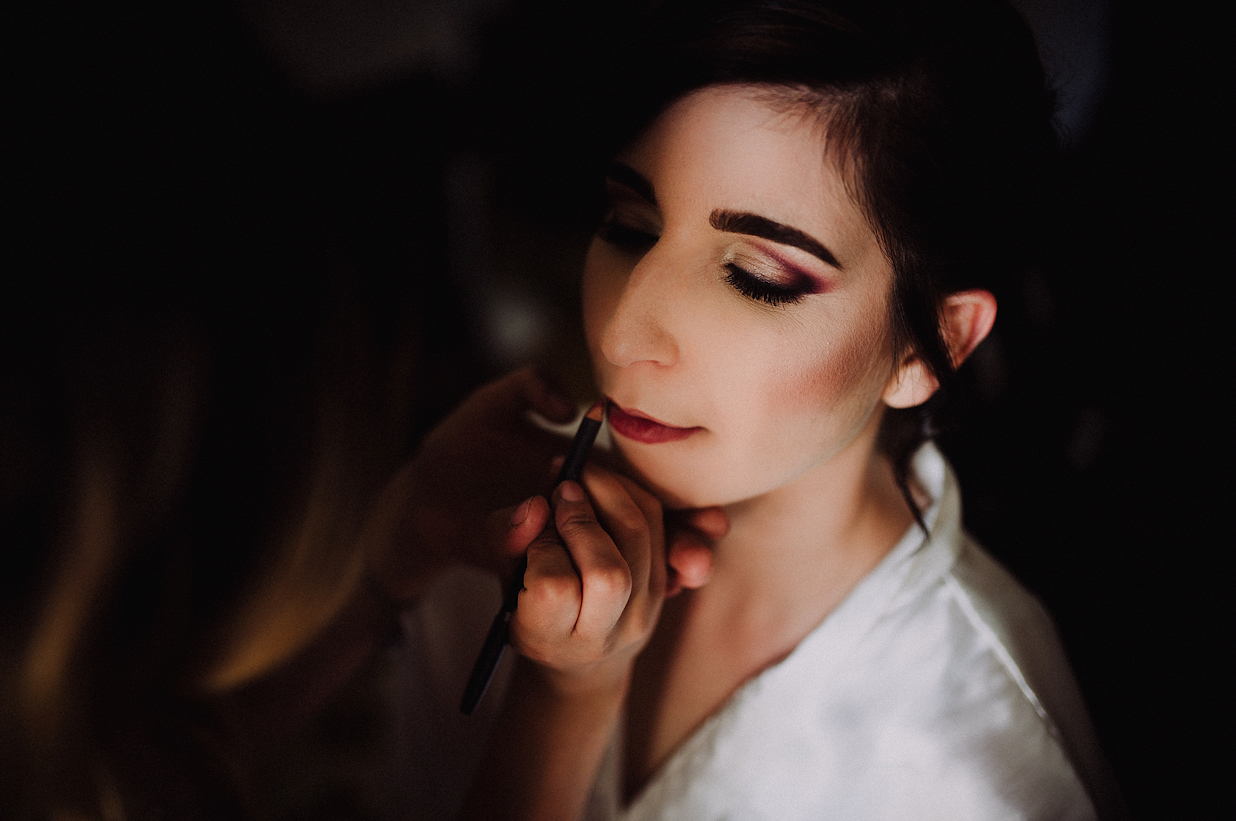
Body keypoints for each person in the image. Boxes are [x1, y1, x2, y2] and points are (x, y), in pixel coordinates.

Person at [392, 1, 1124, 819]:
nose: (624, 336)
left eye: (755, 278)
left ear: (934, 345)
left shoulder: (982, 769)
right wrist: (398, 549)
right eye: (629, 227)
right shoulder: (483, 516)